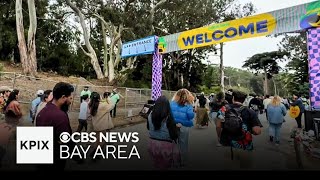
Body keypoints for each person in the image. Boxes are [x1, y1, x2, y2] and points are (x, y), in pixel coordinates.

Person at [36, 82, 76, 170]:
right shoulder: (60, 116)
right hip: (54, 162)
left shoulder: (43, 110)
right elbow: (66, 140)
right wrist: (77, 156)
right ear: (63, 97)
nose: (70, 101)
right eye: (70, 98)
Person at [220, 90, 262, 169]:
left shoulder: (224, 109)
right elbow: (257, 131)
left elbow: (218, 125)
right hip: (245, 145)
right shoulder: (250, 111)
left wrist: (220, 137)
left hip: (227, 144)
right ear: (244, 100)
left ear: (233, 98)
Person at [147, 96, 180, 169]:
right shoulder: (168, 117)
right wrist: (177, 128)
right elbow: (174, 135)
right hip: (165, 146)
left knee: (156, 165)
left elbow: (148, 127)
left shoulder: (150, 115)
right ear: (167, 105)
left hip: (152, 144)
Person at [170, 88, 195, 167]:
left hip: (173, 126)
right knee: (183, 144)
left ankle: (174, 161)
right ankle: (183, 161)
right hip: (184, 126)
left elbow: (169, 114)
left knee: (173, 143)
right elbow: (190, 116)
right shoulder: (189, 105)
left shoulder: (172, 103)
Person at [88, 92, 114, 159]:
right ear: (99, 98)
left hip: (96, 126)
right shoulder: (102, 105)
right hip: (102, 126)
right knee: (103, 140)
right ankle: (95, 151)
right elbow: (112, 105)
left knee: (97, 141)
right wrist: (108, 98)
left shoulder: (91, 105)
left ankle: (97, 153)